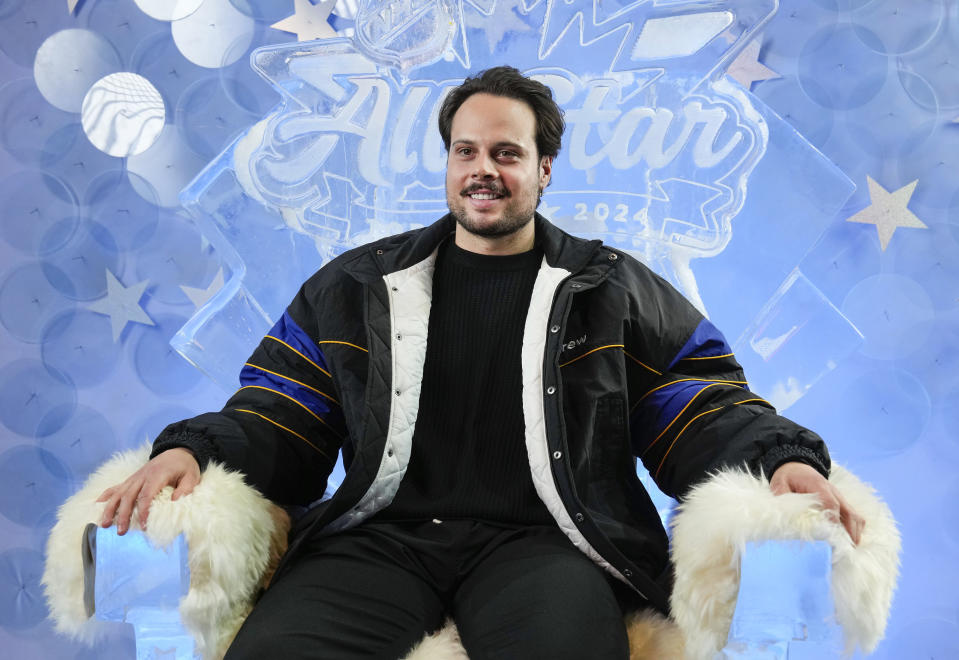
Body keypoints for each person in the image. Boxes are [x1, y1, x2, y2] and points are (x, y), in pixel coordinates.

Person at [98, 66, 864, 659]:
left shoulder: (612, 287)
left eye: (507, 152)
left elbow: (697, 403)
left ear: (544, 169)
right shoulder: (357, 283)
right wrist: (194, 446)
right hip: (381, 538)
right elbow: (284, 413)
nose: (483, 169)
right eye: (466, 150)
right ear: (447, 162)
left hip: (549, 545)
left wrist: (779, 458)